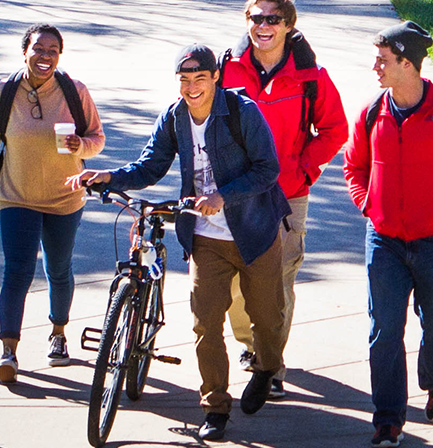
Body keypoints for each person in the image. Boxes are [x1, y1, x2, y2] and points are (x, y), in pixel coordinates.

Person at [67, 44, 291, 441]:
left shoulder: (242, 112)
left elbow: (267, 169)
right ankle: (216, 408)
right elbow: (150, 165)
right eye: (184, 80)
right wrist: (109, 176)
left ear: (215, 78)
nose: (191, 88)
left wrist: (224, 195)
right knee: (205, 324)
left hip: (254, 231)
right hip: (204, 237)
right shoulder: (174, 117)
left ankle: (266, 367)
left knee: (267, 319)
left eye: (199, 79)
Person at [343, 21, 433, 447]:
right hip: (384, 240)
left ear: (408, 64)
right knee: (384, 329)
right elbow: (354, 168)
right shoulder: (372, 113)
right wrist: (368, 204)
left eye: (383, 60)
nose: (376, 67)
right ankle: (388, 417)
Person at [219, 0, 348, 396]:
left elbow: (334, 130)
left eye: (272, 19)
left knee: (278, 281)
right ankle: (250, 344)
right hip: (238, 193)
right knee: (239, 284)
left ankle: (270, 363)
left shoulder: (311, 76)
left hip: (287, 194)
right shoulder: (226, 70)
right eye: (256, 18)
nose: (263, 26)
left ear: (289, 25)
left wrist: (304, 170)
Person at [0, 23, 105, 383]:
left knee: (58, 268)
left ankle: (58, 334)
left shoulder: (74, 92)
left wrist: (84, 145)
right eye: (38, 49)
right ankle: (8, 351)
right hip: (17, 197)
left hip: (65, 198)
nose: (44, 56)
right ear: (24, 52)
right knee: (16, 271)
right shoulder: (2, 95)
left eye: (52, 50)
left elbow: (97, 138)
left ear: (59, 56)